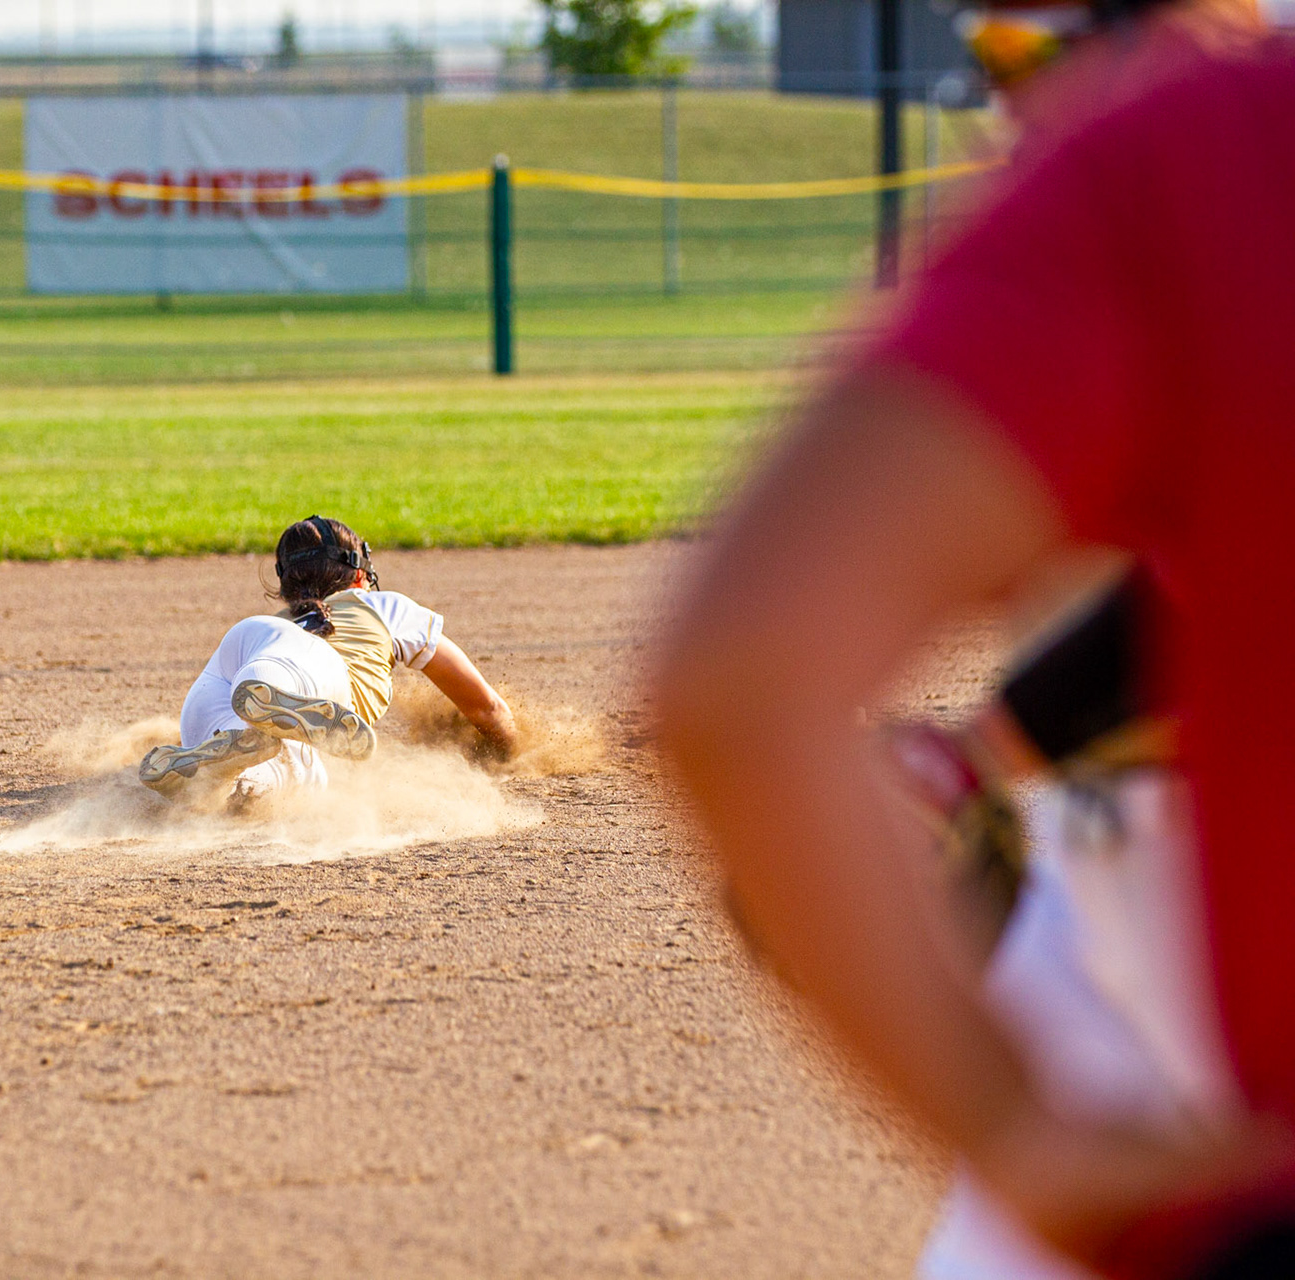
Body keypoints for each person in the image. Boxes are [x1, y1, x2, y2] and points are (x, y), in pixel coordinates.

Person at [649, 22, 1295, 1280]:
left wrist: (1018, 1138)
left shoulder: (1205, 151)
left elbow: (742, 677)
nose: (1010, 90)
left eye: (1023, 48)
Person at [139, 515, 519, 803]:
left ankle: (228, 774)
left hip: (237, 660)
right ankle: (266, 706)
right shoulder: (384, 606)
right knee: (299, 745)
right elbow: (488, 709)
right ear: (358, 574)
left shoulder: (283, 619)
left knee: (274, 771)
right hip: (306, 673)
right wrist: (516, 751)